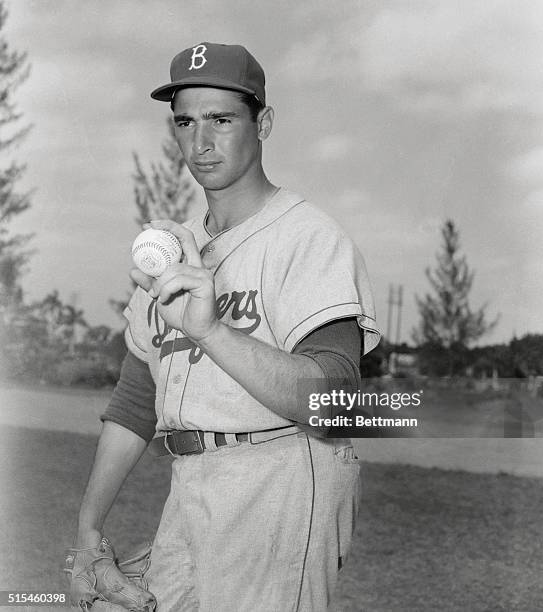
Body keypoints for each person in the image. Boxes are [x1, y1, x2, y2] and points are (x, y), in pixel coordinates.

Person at [73, 42, 380, 611]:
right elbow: (137, 401)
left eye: (222, 119)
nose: (201, 142)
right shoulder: (173, 250)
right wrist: (89, 526)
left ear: (262, 122)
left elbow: (334, 398)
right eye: (186, 122)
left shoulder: (307, 238)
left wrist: (212, 331)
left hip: (282, 478)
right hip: (191, 482)